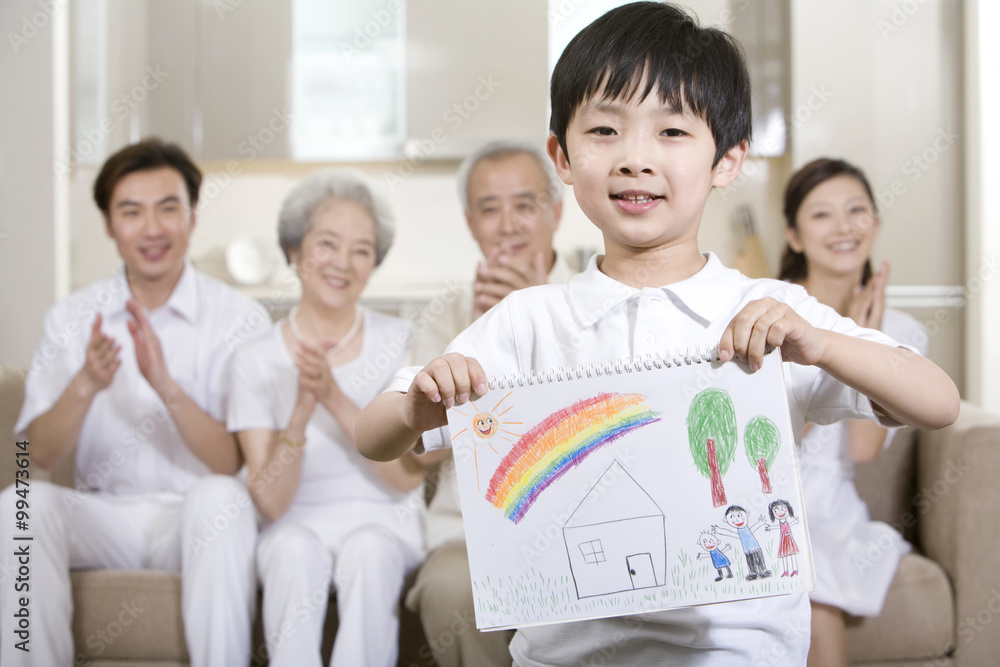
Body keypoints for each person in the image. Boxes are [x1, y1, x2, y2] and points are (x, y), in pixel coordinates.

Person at [355, 3, 959, 665]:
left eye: (672, 131)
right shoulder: (529, 320)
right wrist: (417, 403)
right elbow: (374, 436)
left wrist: (822, 344)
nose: (635, 158)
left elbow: (937, 401)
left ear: (727, 160)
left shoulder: (770, 309)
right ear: (561, 154)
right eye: (605, 130)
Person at [1, 138, 267, 666]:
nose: (152, 229)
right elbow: (32, 460)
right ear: (108, 225)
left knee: (223, 498)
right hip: (106, 516)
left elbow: (232, 462)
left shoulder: (239, 320)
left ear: (192, 216)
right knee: (18, 509)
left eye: (168, 208)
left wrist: (166, 385)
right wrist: (84, 386)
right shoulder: (72, 319)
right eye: (131, 211)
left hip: (195, 516)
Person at [227, 168, 424, 667]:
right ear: (294, 253)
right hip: (293, 523)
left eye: (361, 249)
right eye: (327, 244)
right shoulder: (254, 359)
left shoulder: (401, 342)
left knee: (369, 552)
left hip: (385, 519)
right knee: (292, 551)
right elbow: (270, 501)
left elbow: (404, 479)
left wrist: (334, 397)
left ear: (373, 262)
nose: (343, 262)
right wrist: (299, 414)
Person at [404, 140, 572, 667]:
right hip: (470, 533)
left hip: (574, 519)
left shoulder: (591, 300)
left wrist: (539, 316)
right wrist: (478, 338)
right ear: (471, 223)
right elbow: (420, 454)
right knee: (451, 589)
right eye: (490, 209)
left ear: (556, 212)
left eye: (525, 205)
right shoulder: (443, 318)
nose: (508, 225)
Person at [778, 157, 927, 667]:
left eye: (856, 211)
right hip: (770, 489)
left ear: (875, 226)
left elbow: (863, 449)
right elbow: (774, 436)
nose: (843, 227)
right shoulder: (770, 313)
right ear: (794, 236)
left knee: (815, 584)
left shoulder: (901, 331)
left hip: (831, 507)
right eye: (821, 215)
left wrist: (864, 347)